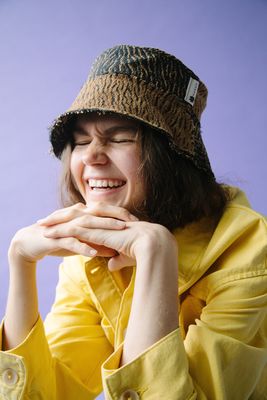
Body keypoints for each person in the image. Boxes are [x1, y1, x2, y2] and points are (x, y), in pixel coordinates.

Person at [0, 45, 266, 400]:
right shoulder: (86, 258)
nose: (91, 157)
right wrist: (20, 262)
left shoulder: (252, 257)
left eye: (119, 137)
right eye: (80, 142)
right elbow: (46, 393)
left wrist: (156, 254)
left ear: (171, 155)